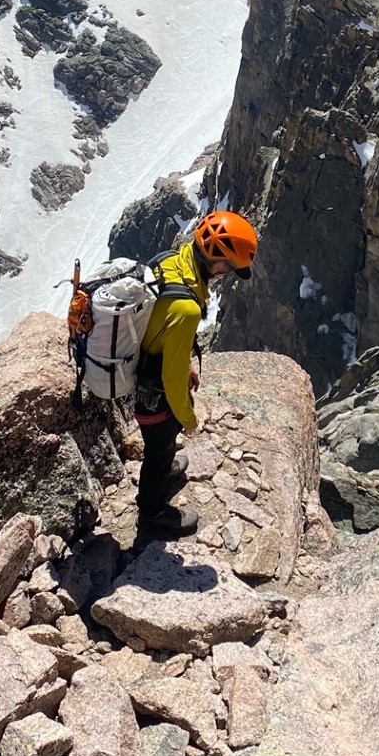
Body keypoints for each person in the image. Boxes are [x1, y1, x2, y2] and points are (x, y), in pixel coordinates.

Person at [132, 210, 259, 538]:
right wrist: (189, 420)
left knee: (164, 446)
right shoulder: (187, 307)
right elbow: (173, 382)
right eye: (229, 266)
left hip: (148, 367)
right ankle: (153, 513)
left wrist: (184, 358)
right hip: (153, 392)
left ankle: (166, 468)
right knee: (158, 451)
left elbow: (163, 326)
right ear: (217, 260)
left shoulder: (175, 261)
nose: (228, 273)